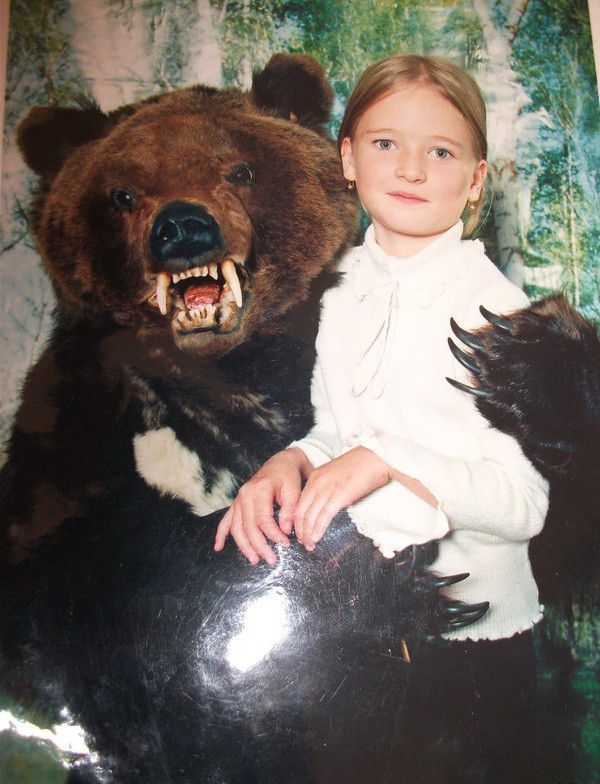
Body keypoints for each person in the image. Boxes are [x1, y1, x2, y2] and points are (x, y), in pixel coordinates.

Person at [215, 54, 548, 782]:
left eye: (442, 151)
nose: (412, 168)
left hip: (473, 656)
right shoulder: (339, 291)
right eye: (386, 142)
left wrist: (388, 459)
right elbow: (336, 435)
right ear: (347, 160)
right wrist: (288, 462)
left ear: (476, 180)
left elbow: (524, 506)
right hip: (362, 632)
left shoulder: (504, 314)